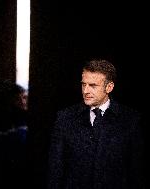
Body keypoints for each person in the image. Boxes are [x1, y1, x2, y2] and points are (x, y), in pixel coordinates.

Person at [48, 59, 145, 189]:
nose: (85, 91)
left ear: (109, 87)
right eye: (83, 85)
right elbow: (55, 169)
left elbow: (136, 171)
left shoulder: (130, 120)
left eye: (93, 85)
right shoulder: (65, 118)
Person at [0, 81, 29, 189]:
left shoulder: (28, 120)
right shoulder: (2, 123)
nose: (22, 101)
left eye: (24, 98)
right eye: (17, 99)